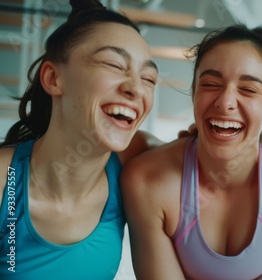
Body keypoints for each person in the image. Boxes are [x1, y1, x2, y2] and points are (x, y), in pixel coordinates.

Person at [121, 25, 262, 280]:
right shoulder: (147, 179)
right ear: (194, 93)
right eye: (210, 84)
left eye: (248, 89)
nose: (225, 101)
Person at [0, 0, 159, 279]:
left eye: (148, 78)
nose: (136, 88)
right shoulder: (5, 184)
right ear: (53, 78)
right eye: (113, 63)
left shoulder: (136, 157)